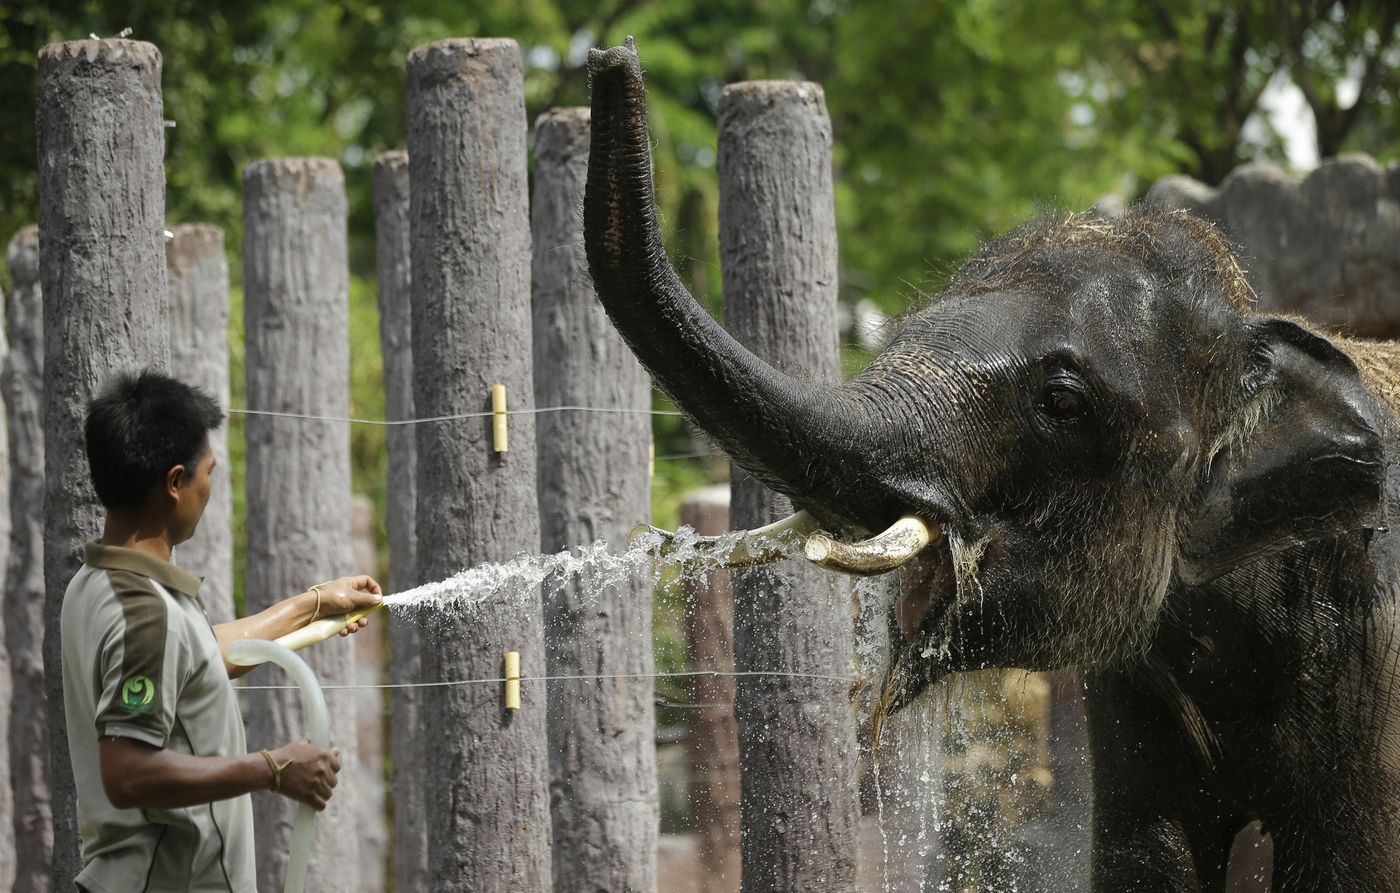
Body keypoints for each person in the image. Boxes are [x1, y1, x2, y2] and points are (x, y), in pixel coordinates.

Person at [60, 369, 382, 892]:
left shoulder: (97, 582)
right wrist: (272, 769)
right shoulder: (145, 614)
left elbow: (195, 659)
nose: (210, 487)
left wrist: (316, 604)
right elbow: (128, 774)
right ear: (174, 482)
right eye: (207, 472)